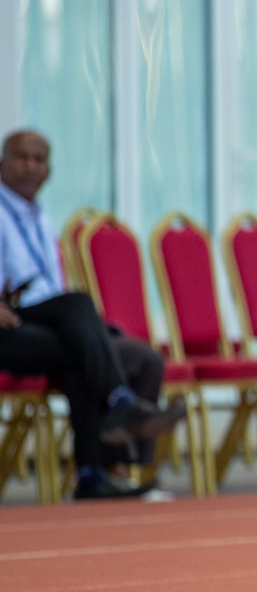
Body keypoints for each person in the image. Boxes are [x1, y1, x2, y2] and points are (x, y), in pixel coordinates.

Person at [0, 130, 182, 499]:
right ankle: (119, 408)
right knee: (80, 308)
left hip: (46, 324)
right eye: (21, 157)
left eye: (40, 160)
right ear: (3, 161)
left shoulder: (40, 217)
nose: (31, 167)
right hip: (9, 328)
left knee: (142, 358)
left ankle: (101, 474)